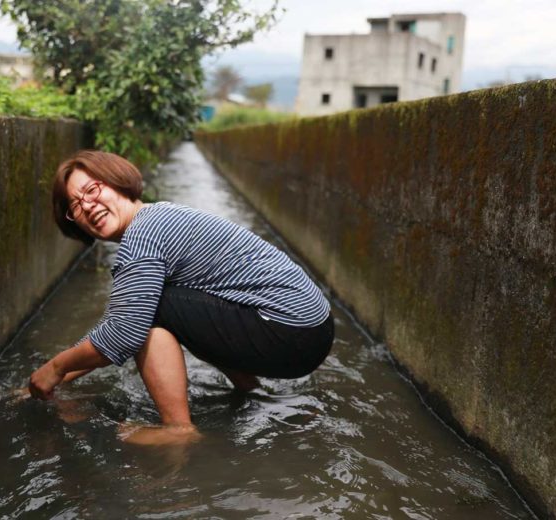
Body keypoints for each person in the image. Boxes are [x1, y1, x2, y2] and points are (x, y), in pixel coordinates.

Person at [28, 150, 334, 443]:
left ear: (117, 180)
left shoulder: (142, 238)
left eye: (93, 190)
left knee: (156, 308)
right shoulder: (158, 215)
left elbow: (123, 333)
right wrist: (56, 378)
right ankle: (250, 390)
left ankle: (178, 431)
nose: (88, 205)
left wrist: (54, 367)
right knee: (157, 306)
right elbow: (118, 329)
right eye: (75, 206)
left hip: (290, 332)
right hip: (309, 328)